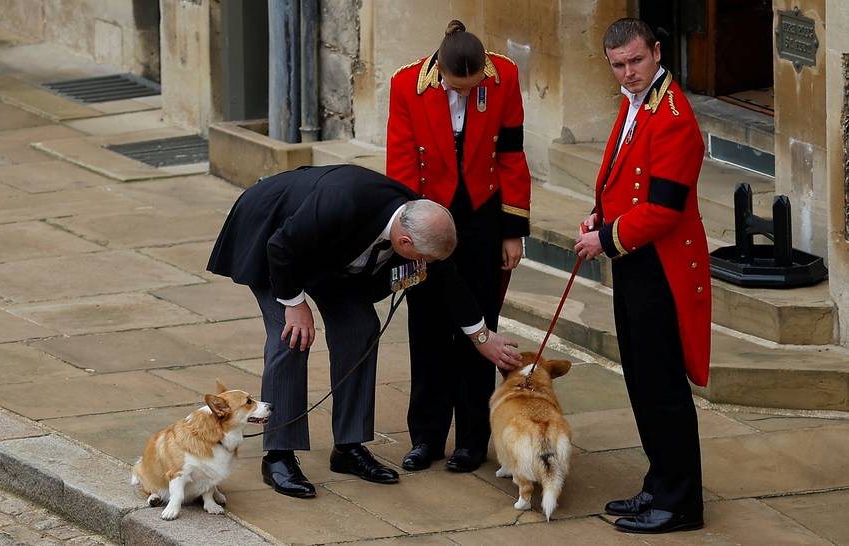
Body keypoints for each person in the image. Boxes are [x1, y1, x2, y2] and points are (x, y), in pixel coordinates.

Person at [207, 164, 521, 499]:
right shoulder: (341, 202)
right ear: (403, 241)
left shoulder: (420, 218)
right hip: (271, 237)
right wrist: (296, 305)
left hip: (327, 256)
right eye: (421, 258)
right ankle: (279, 456)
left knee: (361, 326)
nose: (425, 264)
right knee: (291, 336)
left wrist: (482, 337)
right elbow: (281, 247)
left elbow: (448, 278)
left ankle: (348, 447)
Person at [574, 18, 710, 534]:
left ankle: (681, 503)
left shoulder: (673, 115)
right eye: (618, 66)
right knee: (640, 378)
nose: (628, 74)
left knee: (662, 386)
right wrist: (598, 215)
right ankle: (659, 482)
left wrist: (604, 239)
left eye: (636, 61)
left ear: (656, 52)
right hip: (636, 261)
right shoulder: (638, 104)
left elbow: (665, 208)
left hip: (662, 268)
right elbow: (621, 178)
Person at [386, 19, 531, 473]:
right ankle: (425, 438)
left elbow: (511, 153)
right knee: (427, 328)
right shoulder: (406, 84)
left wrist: (513, 230)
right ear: (442, 71)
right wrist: (414, 235)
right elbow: (401, 163)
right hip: (428, 214)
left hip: (483, 216)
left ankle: (472, 440)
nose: (466, 96)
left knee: (480, 325)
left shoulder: (503, 74)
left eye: (473, 89)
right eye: (458, 89)